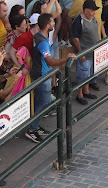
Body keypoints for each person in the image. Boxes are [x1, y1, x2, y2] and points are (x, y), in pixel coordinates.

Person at [25, 13, 76, 143]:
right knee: (42, 104)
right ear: (47, 25)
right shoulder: (42, 42)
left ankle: (35, 126)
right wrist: (65, 59)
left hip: (43, 75)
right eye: (52, 22)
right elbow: (50, 61)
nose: (54, 24)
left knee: (41, 104)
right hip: (42, 77)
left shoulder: (40, 37)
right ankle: (32, 129)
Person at [71, 0, 100, 105]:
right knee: (82, 74)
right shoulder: (79, 21)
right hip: (85, 53)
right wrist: (81, 52)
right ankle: (80, 95)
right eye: (92, 11)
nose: (94, 13)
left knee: (88, 73)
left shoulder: (93, 19)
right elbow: (75, 38)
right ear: (86, 10)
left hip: (93, 52)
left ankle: (86, 91)